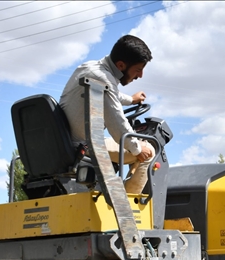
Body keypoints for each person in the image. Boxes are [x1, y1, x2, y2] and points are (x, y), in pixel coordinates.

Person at [60, 35, 155, 194]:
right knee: (149, 151)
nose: (140, 76)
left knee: (135, 147)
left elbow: (111, 93)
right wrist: (138, 150)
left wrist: (131, 99)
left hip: (68, 139)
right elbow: (118, 125)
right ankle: (129, 205)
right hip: (84, 144)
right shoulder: (103, 80)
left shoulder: (91, 68)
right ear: (121, 65)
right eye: (138, 70)